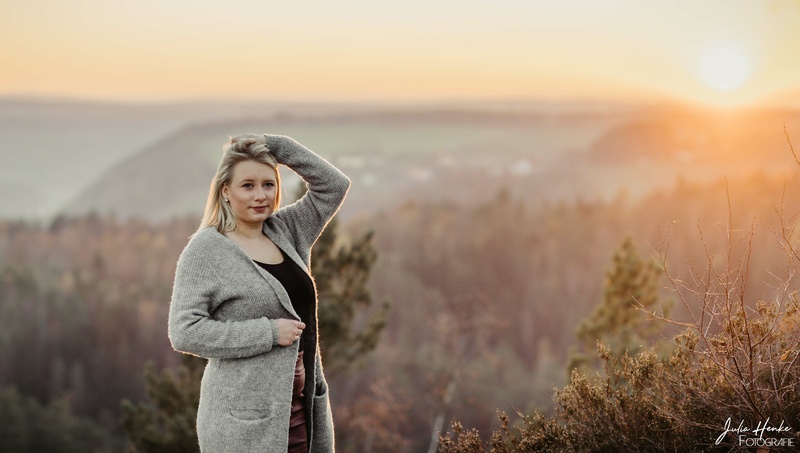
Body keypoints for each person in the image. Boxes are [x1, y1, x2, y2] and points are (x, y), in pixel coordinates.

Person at [168, 133, 350, 452]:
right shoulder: (206, 249)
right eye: (247, 185)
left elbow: (333, 185)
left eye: (269, 184)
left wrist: (276, 146)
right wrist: (266, 333)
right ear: (226, 191)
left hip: (303, 411)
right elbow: (184, 332)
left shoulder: (286, 230)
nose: (260, 195)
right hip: (244, 424)